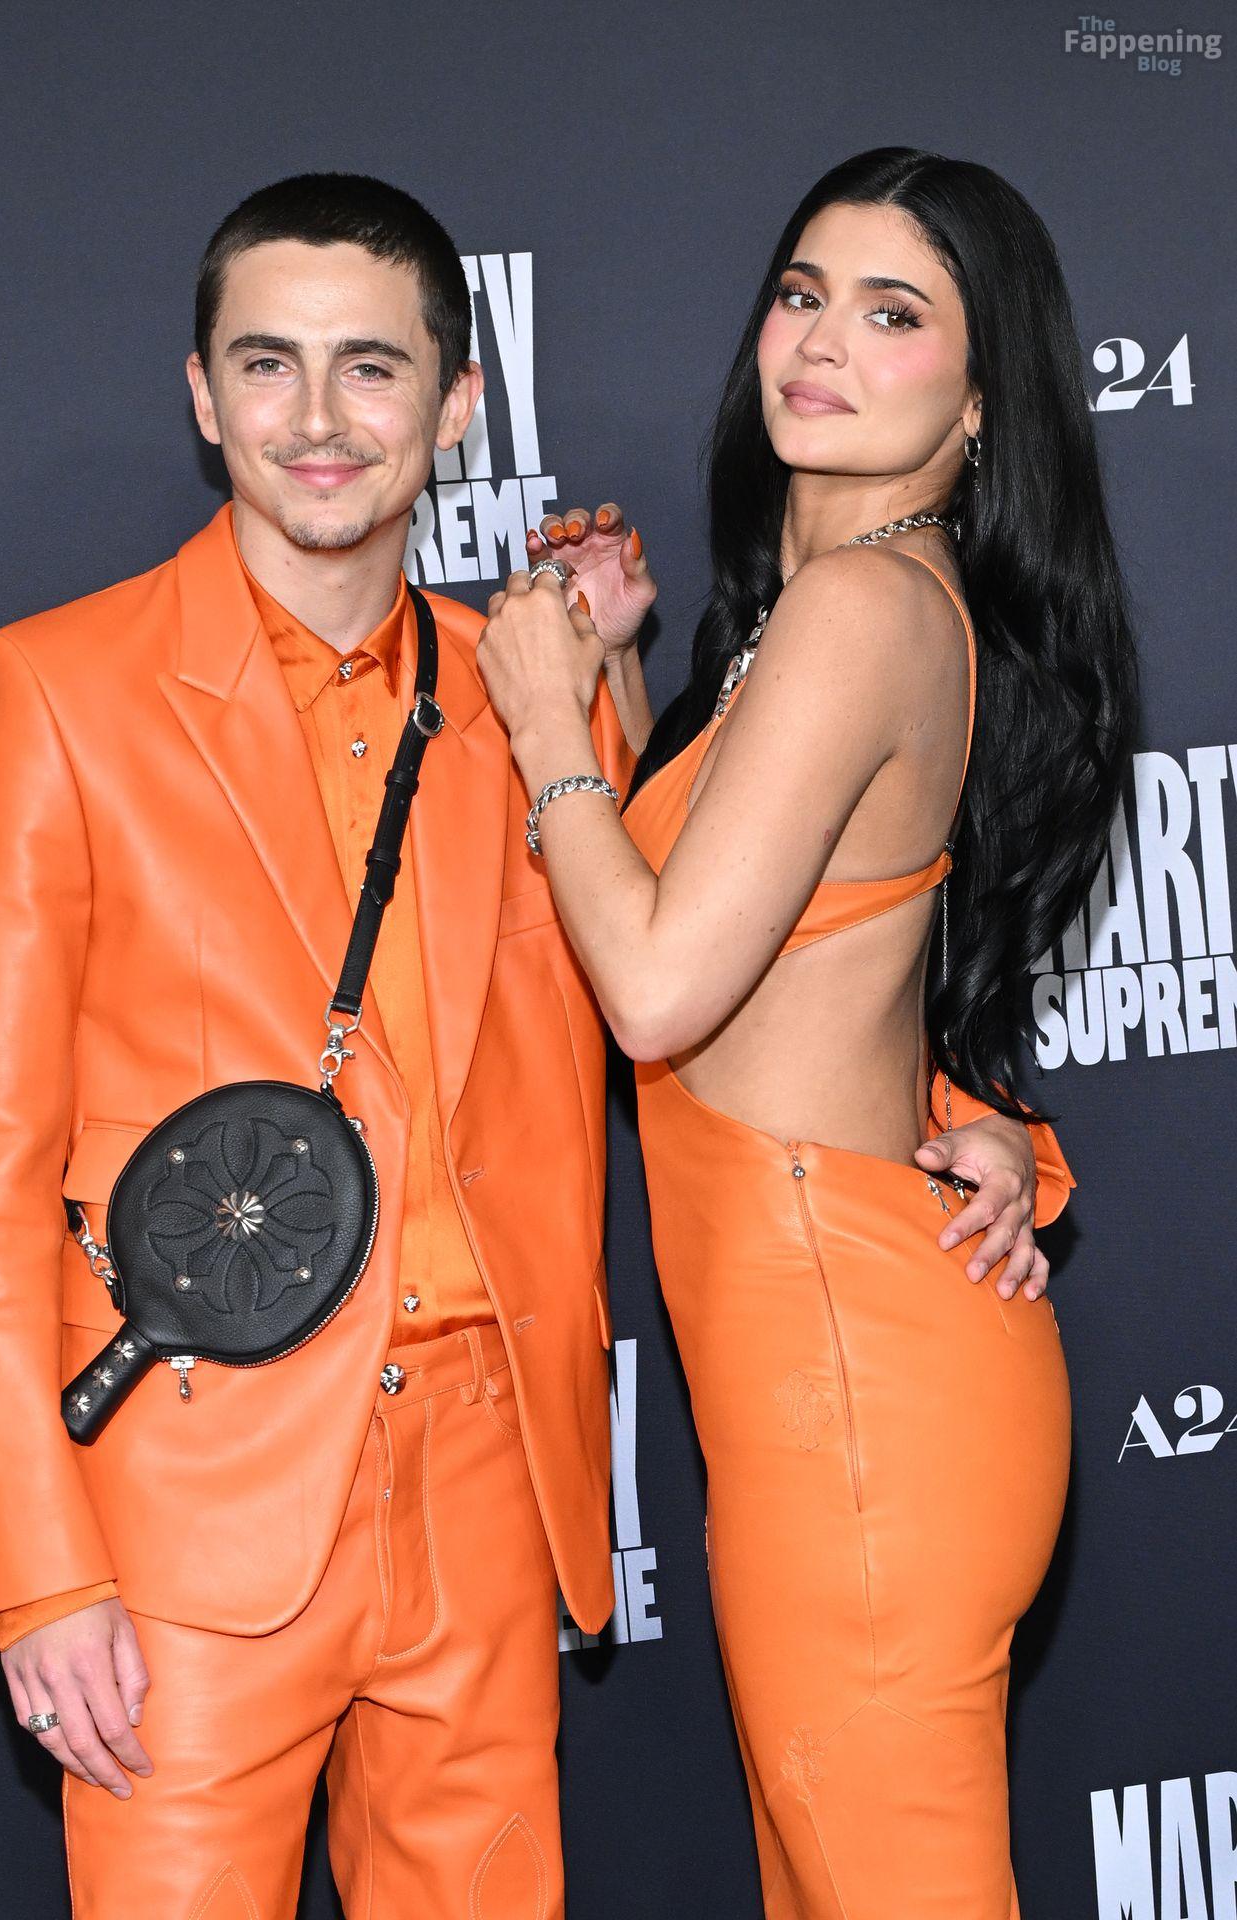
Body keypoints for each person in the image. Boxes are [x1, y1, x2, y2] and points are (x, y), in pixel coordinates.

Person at [0, 169, 1050, 1920]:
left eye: (370, 367)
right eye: (268, 363)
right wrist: (37, 1566)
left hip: (484, 1497)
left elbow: (724, 976)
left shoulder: (535, 697)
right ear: (202, 394)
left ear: (454, 405)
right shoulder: (58, 690)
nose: (316, 417)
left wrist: (976, 1128)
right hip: (191, 1518)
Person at [478, 146, 1136, 1919]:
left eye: (893, 313)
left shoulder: (862, 608)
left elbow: (656, 993)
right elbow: (750, 938)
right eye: (799, 293)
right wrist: (621, 682)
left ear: (983, 399)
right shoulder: (825, 606)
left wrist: (539, 722)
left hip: (850, 1378)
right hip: (831, 1355)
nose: (821, 343)